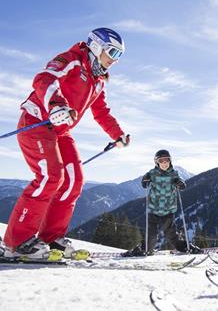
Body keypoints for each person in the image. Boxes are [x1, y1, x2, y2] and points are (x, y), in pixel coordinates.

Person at [3, 28, 130, 260]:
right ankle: (16, 243)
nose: (114, 59)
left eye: (119, 55)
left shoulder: (98, 80)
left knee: (73, 181)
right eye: (111, 52)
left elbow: (101, 111)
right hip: (37, 122)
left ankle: (51, 238)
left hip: (61, 131)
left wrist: (117, 135)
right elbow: (44, 79)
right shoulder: (71, 60)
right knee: (50, 177)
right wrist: (56, 105)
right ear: (96, 46)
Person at [122, 149, 201, 256]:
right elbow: (144, 183)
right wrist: (145, 181)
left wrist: (180, 183)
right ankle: (145, 250)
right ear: (157, 162)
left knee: (171, 235)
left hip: (168, 211)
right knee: (151, 235)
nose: (164, 163)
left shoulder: (174, 174)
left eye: (166, 160)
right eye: (161, 161)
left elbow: (182, 183)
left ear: (170, 161)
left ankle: (186, 247)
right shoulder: (152, 173)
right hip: (153, 210)